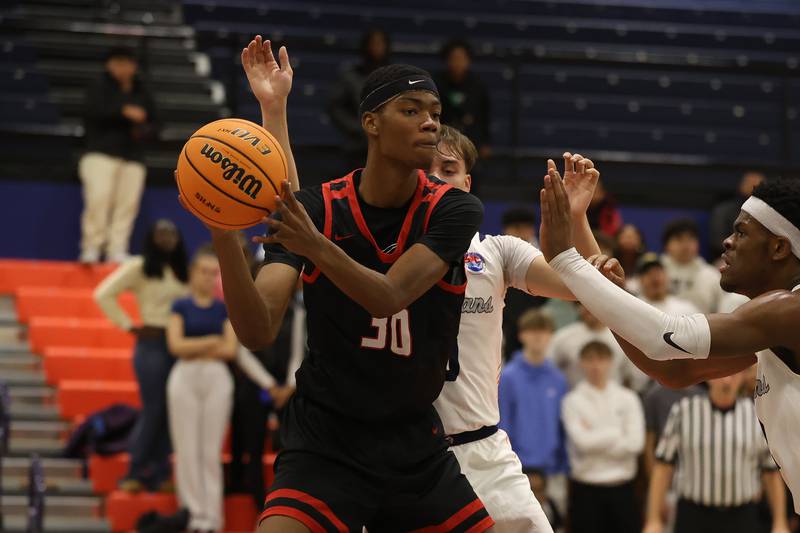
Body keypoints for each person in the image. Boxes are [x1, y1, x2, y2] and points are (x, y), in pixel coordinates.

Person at [212, 40, 493, 531]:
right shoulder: (320, 209)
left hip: (414, 447)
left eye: (435, 111)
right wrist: (220, 228)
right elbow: (257, 330)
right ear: (371, 123)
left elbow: (387, 296)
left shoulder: (454, 209)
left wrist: (314, 244)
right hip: (326, 443)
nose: (430, 121)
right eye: (412, 110)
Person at [538, 168, 800, 512]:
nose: (726, 241)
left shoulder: (788, 311)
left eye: (741, 232)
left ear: (779, 246)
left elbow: (662, 338)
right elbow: (672, 370)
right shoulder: (776, 327)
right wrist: (578, 223)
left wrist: (565, 259)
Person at [429, 126, 605, 532]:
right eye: (427, 168)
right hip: (405, 455)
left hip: (482, 451)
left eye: (449, 168)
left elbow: (595, 290)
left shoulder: (496, 251)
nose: (436, 177)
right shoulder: (382, 251)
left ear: (466, 184)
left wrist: (577, 218)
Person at [93, 219, 188, 493]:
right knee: (154, 408)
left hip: (178, 346)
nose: (167, 238)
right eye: (161, 233)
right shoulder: (140, 266)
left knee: (170, 410)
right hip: (152, 345)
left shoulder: (183, 269)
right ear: (151, 237)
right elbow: (103, 294)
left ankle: (159, 473)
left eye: (172, 232)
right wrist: (129, 326)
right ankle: (134, 470)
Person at [643, 372, 789, 533]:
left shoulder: (756, 415)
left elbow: (771, 473)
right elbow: (663, 467)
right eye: (720, 375)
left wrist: (780, 522)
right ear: (709, 377)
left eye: (733, 375)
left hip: (742, 515)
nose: (726, 381)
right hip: (694, 514)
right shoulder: (684, 411)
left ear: (742, 377)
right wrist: (653, 519)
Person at [166, 247, 238, 533]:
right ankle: (193, 515)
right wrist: (210, 342)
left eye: (213, 273)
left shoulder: (223, 307)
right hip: (185, 375)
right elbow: (175, 346)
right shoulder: (180, 306)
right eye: (203, 272)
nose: (208, 278)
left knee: (210, 451)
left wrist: (196, 346)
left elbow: (230, 349)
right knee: (186, 449)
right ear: (192, 272)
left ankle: (212, 518)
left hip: (216, 377)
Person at [79, 46, 157, 263]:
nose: (122, 68)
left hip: (133, 156)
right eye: (117, 62)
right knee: (98, 200)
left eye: (127, 62)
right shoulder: (98, 87)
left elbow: (155, 122)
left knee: (127, 205)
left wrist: (143, 126)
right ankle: (92, 247)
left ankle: (117, 249)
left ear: (135, 66)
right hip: (100, 153)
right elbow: (91, 111)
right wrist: (123, 112)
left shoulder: (142, 90)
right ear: (109, 64)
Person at [561, 340, 644, 533]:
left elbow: (635, 444)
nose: (596, 366)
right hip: (586, 488)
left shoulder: (628, 398)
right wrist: (615, 433)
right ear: (582, 363)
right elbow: (581, 443)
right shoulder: (572, 401)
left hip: (623, 488)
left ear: (610, 362)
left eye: (601, 359)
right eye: (590, 360)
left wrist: (596, 435)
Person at [498, 310, 568, 477]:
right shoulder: (508, 376)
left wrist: (562, 462)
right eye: (532, 330)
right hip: (516, 466)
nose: (538, 336)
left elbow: (561, 424)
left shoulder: (558, 379)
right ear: (521, 335)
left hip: (551, 467)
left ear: (551, 336)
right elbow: (503, 423)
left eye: (543, 331)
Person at [545, 302, 647, 390]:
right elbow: (547, 370)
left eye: (593, 303)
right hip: (574, 402)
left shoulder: (624, 339)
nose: (589, 308)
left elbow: (632, 379)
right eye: (583, 304)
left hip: (614, 404)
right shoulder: (562, 337)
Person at [327, 29, 390, 171]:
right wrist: (357, 128)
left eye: (381, 43)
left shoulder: (394, 76)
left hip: (388, 145)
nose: (377, 47)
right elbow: (335, 107)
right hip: (358, 147)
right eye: (373, 43)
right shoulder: (351, 76)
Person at [499, 207, 544, 360]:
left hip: (535, 326)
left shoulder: (543, 258)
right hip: (504, 326)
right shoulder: (496, 256)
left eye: (526, 228)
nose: (522, 233)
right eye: (517, 228)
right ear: (506, 230)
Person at [435, 39, 490, 157]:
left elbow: (485, 115)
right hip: (443, 138)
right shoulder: (437, 84)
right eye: (454, 58)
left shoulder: (477, 85)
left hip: (471, 139)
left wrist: (485, 142)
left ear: (468, 60)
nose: (457, 63)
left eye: (461, 58)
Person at [660, 218, 724, 313]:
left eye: (690, 239)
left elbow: (722, 311)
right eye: (679, 239)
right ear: (666, 245)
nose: (685, 246)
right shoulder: (652, 272)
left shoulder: (712, 275)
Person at [709, 171, 765, 258]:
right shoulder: (723, 210)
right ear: (741, 187)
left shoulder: (767, 215)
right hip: (727, 256)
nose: (753, 190)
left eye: (758, 186)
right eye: (750, 184)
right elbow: (717, 241)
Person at [636, 252, 700, 315]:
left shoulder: (686, 309)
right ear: (640, 280)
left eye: (658, 272)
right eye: (649, 273)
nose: (655, 279)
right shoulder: (635, 309)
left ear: (666, 276)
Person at [525, 469, 564, 533]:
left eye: (539, 490)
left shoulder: (551, 505)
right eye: (532, 491)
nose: (536, 496)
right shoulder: (517, 513)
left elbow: (559, 526)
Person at [613, 223, 645, 290]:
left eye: (633, 237)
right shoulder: (611, 261)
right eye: (625, 236)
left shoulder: (646, 263)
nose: (629, 240)